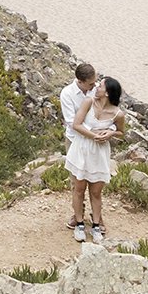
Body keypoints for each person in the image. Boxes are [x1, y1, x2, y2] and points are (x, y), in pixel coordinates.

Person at [66, 76, 125, 244]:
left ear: (106, 93)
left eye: (100, 86)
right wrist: (94, 136)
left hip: (99, 154)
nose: (96, 88)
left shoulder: (118, 114)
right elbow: (76, 124)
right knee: (78, 189)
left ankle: (96, 225)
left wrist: (111, 133)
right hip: (82, 149)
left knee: (96, 192)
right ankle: (79, 224)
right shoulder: (88, 102)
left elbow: (121, 133)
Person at [59, 63, 97, 232]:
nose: (94, 86)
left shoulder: (96, 90)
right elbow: (71, 121)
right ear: (80, 82)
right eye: (90, 84)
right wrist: (94, 133)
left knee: (95, 178)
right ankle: (78, 214)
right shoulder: (67, 94)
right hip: (75, 141)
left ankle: (97, 216)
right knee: (77, 180)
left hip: (94, 141)